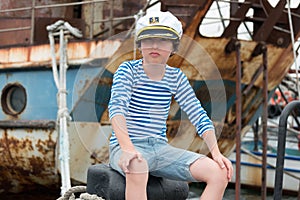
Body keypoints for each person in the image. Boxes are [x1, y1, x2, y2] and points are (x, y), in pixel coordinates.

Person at [108, 10, 233, 200]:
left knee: (219, 173)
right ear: (140, 44)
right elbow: (117, 109)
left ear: (174, 46)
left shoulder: (176, 77)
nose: (155, 46)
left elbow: (198, 115)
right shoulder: (127, 71)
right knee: (137, 166)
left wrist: (216, 153)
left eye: (163, 40)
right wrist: (127, 149)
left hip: (160, 149)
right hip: (126, 146)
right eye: (148, 40)